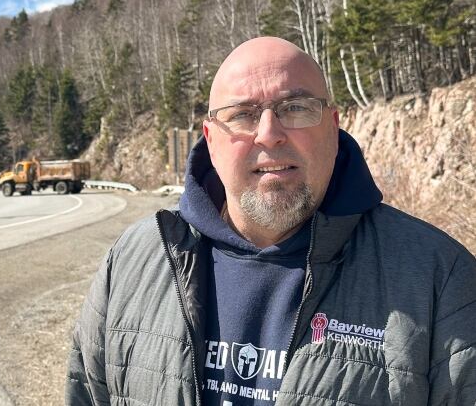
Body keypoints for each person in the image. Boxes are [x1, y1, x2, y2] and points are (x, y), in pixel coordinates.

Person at [65, 37, 476, 406]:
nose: (268, 133)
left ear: (333, 129)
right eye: (243, 114)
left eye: (295, 108)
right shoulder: (132, 261)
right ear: (210, 141)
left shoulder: (440, 278)